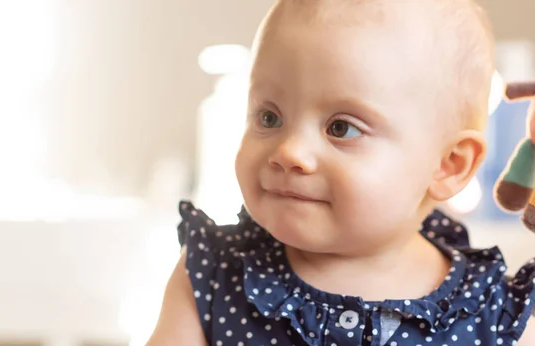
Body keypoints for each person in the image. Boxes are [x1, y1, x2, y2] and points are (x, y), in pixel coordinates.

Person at [146, 0, 535, 344]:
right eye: (269, 116)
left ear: (448, 165)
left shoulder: (493, 315)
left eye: (341, 128)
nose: (289, 151)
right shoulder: (212, 276)